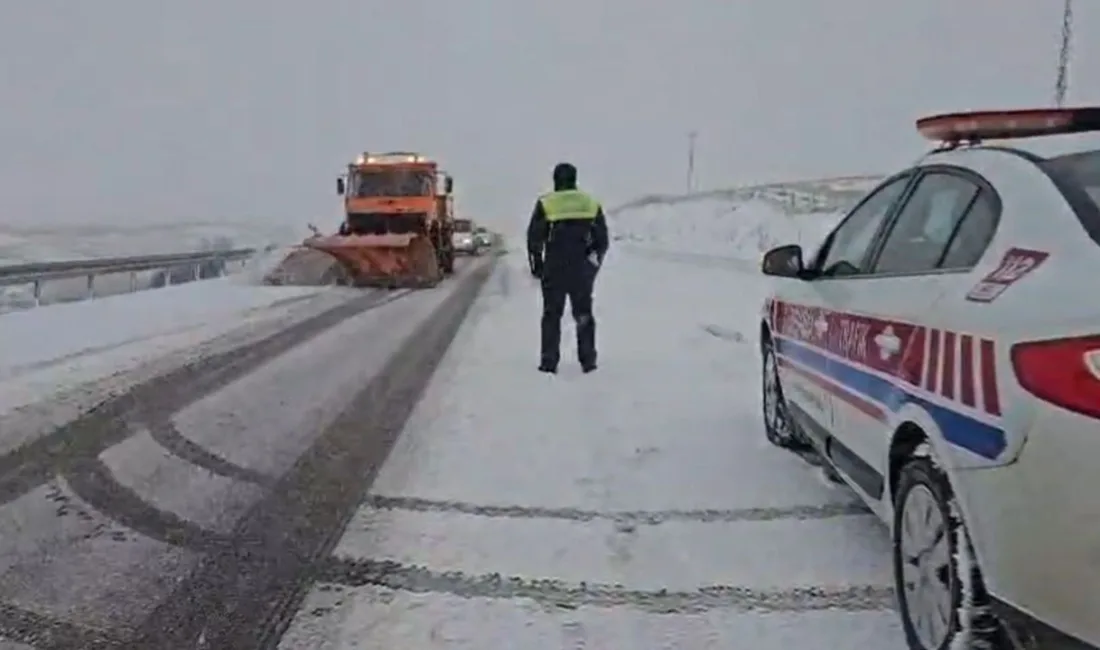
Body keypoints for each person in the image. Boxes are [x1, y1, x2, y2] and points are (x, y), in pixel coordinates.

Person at [526, 162, 610, 374]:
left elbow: (534, 237)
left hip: (555, 267)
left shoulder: (547, 203)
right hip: (581, 268)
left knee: (552, 315)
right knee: (583, 314)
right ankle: (588, 361)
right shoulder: (589, 203)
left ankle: (549, 362)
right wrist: (592, 264)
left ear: (556, 180)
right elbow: (602, 240)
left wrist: (538, 265)